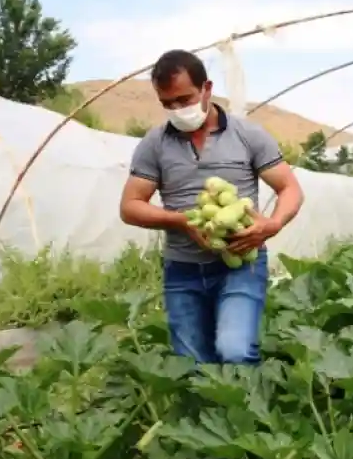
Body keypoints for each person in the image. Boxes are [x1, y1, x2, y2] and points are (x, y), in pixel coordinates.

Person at [119, 49, 304, 365]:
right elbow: (130, 206)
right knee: (191, 365)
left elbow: (290, 189)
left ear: (207, 88)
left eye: (185, 99)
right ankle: (210, 414)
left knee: (235, 350)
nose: (178, 109)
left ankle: (248, 411)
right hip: (183, 269)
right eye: (168, 104)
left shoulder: (248, 135)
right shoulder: (154, 144)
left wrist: (272, 224)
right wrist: (182, 222)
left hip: (241, 264)